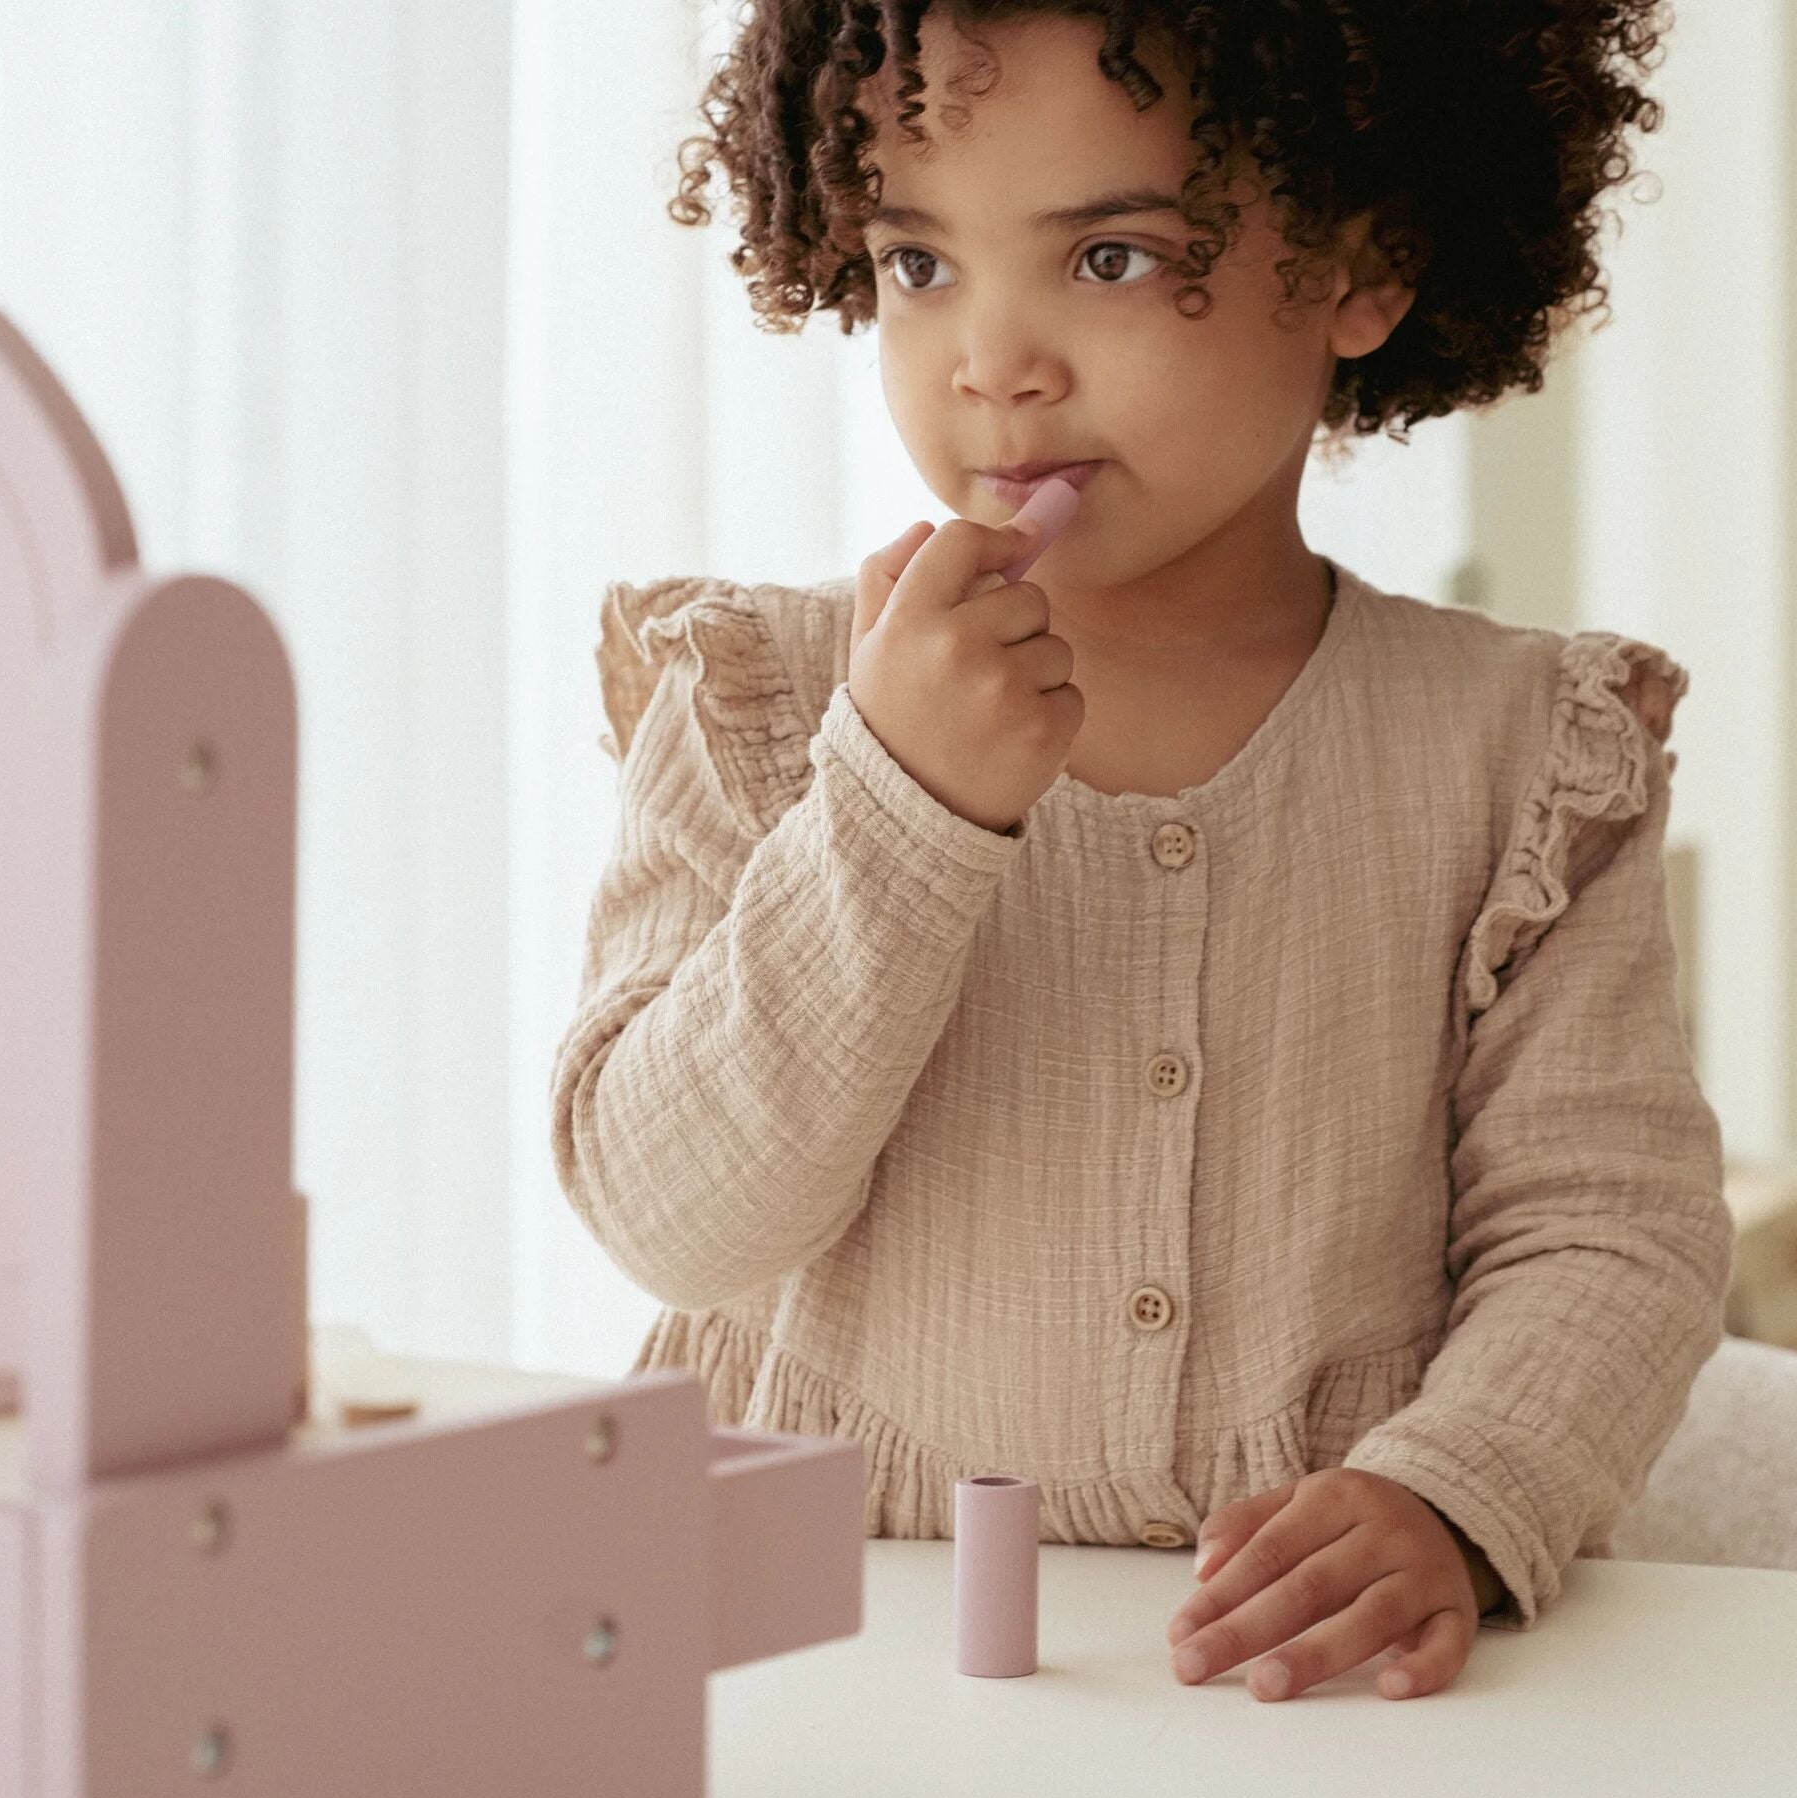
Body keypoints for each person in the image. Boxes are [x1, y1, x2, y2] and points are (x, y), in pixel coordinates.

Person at [550, 0, 1733, 1705]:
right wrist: (894, 806)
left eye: (1106, 259)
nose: (992, 363)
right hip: (826, 1662)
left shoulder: (1525, 756)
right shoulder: (755, 697)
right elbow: (670, 1217)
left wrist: (1453, 1494)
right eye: (916, 265)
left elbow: (1611, 1230)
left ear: (1366, 261)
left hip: (1306, 1698)